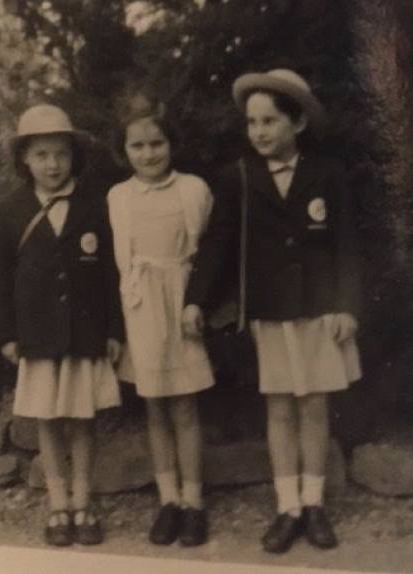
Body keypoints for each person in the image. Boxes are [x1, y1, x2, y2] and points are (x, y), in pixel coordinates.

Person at [183, 69, 362, 553]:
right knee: (280, 408)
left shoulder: (327, 174)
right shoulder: (239, 178)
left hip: (320, 308)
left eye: (269, 121)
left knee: (315, 405)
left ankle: (314, 503)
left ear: (297, 122)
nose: (259, 131)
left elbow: (346, 242)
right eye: (252, 122)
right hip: (270, 311)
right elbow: (217, 243)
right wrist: (196, 298)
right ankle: (287, 507)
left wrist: (346, 305)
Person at [0, 104, 124, 547]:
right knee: (48, 419)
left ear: (73, 157)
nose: (52, 164)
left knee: (83, 419)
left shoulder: (94, 203)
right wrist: (7, 334)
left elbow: (111, 272)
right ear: (25, 160)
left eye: (61, 154)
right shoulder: (11, 211)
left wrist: (113, 331)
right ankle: (58, 504)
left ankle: (83, 502)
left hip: (85, 332)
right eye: (42, 154)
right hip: (38, 334)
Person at [107, 93, 215, 547]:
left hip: (182, 303)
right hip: (141, 306)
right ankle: (167, 500)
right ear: (124, 151)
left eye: (157, 144)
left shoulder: (193, 190)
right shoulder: (119, 197)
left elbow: (208, 255)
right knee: (154, 407)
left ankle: (194, 502)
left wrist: (197, 301)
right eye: (138, 146)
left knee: (186, 406)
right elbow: (117, 266)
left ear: (171, 144)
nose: (149, 154)